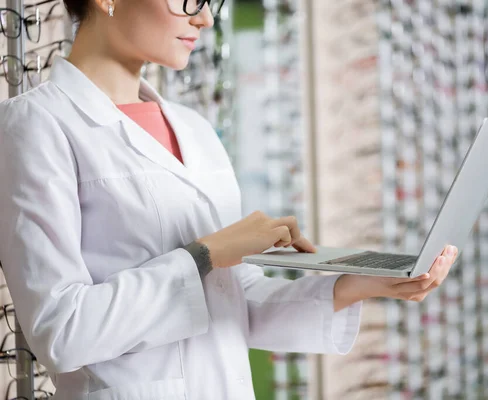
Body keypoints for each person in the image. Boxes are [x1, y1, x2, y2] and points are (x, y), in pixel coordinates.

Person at [0, 0, 459, 398]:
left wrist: (362, 284)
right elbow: (60, 330)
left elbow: (230, 302)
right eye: (187, 0)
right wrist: (205, 253)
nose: (204, 20)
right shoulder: (37, 126)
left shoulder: (194, 129)